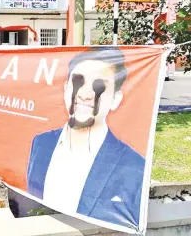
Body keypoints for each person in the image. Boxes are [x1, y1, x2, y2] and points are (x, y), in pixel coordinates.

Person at [26, 47, 145, 229]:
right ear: (66, 88)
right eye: (77, 81)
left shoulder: (134, 166)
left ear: (115, 99)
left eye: (99, 86)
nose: (84, 94)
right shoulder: (41, 144)